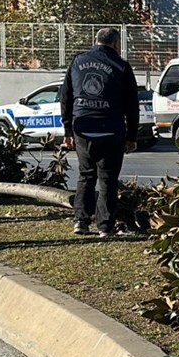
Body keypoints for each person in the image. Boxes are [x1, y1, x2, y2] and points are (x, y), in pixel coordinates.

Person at [60, 28, 139, 238]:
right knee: (108, 180)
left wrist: (68, 129)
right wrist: (132, 137)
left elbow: (65, 96)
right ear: (115, 44)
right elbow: (132, 105)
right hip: (110, 130)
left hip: (83, 128)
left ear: (96, 41)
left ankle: (81, 221)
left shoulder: (77, 61)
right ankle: (104, 226)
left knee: (86, 176)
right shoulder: (121, 66)